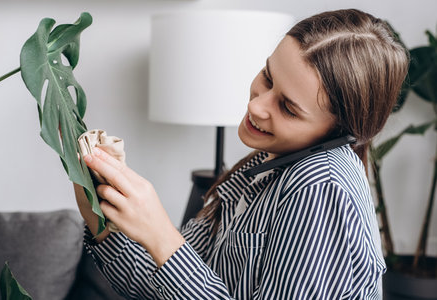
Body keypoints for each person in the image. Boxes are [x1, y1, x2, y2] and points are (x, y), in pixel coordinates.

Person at [74, 8, 408, 299]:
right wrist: (98, 208)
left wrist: (162, 236)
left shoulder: (319, 185)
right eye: (267, 76)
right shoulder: (262, 168)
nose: (256, 105)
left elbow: (169, 262)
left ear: (338, 131)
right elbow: (153, 286)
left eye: (288, 108)